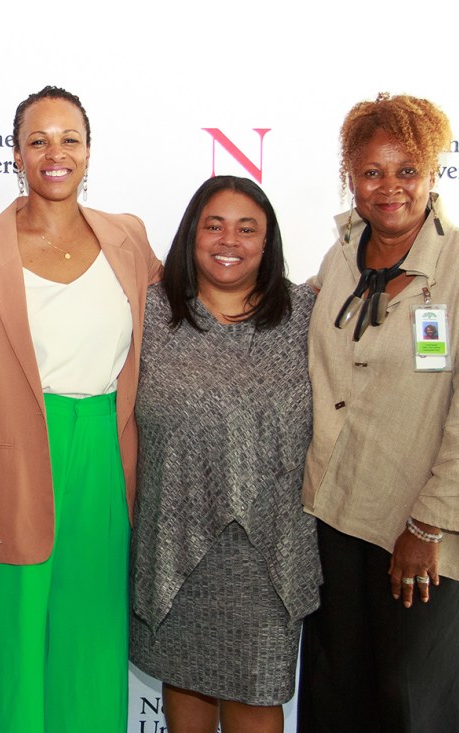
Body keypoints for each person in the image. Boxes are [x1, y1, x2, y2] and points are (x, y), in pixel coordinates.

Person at [297, 93, 459, 732]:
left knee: (413, 703)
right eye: (372, 172)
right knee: (335, 693)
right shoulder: (340, 257)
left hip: (419, 531)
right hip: (335, 517)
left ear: (434, 173)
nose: (390, 188)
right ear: (350, 174)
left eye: (407, 170)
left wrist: (427, 528)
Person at [0, 85, 163, 732]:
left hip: (104, 465)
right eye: (38, 140)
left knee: (88, 648)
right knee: (2, 649)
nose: (54, 152)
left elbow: (188, 312)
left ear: (90, 152)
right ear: (16, 155)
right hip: (2, 470)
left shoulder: (128, 238)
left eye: (69, 139)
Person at [129, 176, 321, 733]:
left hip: (269, 555)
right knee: (184, 687)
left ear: (268, 242)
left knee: (258, 700)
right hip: (173, 545)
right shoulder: (150, 314)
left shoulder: (305, 315)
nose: (228, 240)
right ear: (191, 235)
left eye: (246, 228)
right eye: (213, 225)